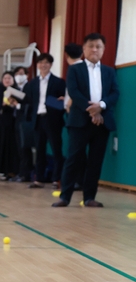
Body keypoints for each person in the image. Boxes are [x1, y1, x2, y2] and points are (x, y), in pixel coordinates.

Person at [53, 33, 120, 208]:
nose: (94, 49)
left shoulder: (109, 71)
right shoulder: (75, 69)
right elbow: (74, 92)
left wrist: (101, 106)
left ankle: (89, 197)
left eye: (98, 46)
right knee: (73, 158)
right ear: (84, 49)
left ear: (104, 50)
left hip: (102, 122)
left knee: (95, 161)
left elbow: (115, 93)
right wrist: (92, 111)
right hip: (79, 121)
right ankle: (65, 197)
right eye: (91, 46)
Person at [19, 53, 66, 189]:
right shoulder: (32, 83)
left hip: (53, 120)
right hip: (37, 119)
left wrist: (61, 101)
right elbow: (26, 100)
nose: (43, 65)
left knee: (56, 150)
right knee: (39, 150)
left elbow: (64, 101)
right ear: (37, 65)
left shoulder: (59, 82)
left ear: (51, 65)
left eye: (46, 63)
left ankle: (57, 179)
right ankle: (38, 179)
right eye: (40, 63)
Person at [57, 43, 85, 189]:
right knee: (78, 151)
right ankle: (80, 180)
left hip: (76, 115)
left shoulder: (75, 68)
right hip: (78, 113)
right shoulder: (83, 67)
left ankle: (78, 180)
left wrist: (69, 104)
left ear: (66, 56)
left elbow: (77, 90)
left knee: (75, 151)